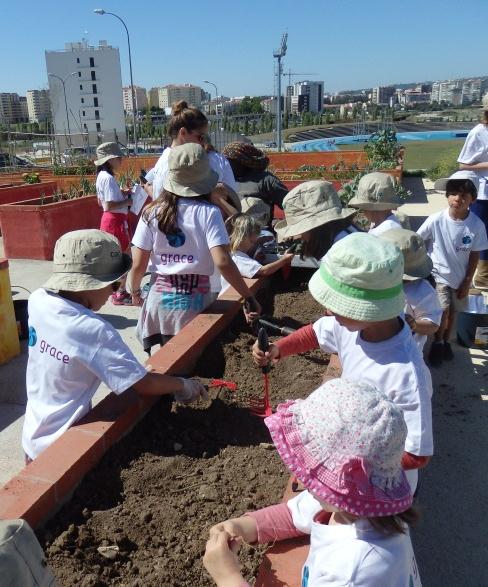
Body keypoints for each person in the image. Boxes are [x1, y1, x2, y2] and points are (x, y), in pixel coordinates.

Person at [253, 232, 433, 493]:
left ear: (370, 309)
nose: (328, 311)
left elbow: (416, 455)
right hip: (349, 454)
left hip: (378, 486)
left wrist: (339, 466)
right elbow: (315, 332)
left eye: (339, 305)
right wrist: (277, 348)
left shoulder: (405, 374)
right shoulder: (350, 325)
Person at [204, 379, 421, 587]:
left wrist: (228, 579)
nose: (299, 476)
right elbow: (294, 515)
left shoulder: (350, 572)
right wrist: (243, 527)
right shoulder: (362, 505)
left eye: (311, 468)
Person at [22, 229, 207, 462]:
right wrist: (182, 385)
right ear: (89, 285)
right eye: (113, 286)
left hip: (32, 434)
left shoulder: (38, 300)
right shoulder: (92, 329)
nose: (114, 293)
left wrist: (131, 371)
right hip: (59, 445)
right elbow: (144, 385)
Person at [127, 143, 261, 354]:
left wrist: (134, 291)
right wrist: (248, 296)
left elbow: (138, 264)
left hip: (158, 304)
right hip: (195, 304)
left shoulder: (151, 213)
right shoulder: (209, 213)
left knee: (166, 360)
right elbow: (223, 262)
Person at [417, 174, 488, 367]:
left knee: (454, 313)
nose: (458, 198)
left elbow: (474, 254)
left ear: (473, 199)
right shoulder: (436, 220)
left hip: (460, 277)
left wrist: (467, 282)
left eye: (464, 195)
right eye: (454, 194)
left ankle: (446, 341)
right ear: (447, 196)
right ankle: (437, 343)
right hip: (438, 274)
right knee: (443, 310)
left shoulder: (476, 225)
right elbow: (417, 239)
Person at [146, 102, 238, 219]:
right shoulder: (173, 164)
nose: (203, 142)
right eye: (200, 137)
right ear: (183, 133)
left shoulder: (165, 159)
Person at [380, 228, 442, 352]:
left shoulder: (422, 290)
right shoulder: (374, 283)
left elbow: (433, 325)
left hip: (407, 352)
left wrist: (413, 324)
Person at [274, 180, 359, 260]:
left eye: (302, 230)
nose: (301, 236)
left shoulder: (339, 253)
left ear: (314, 227)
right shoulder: (348, 234)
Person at [95, 142, 133, 305]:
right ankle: (120, 292)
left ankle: (118, 291)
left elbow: (101, 202)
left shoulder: (101, 177)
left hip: (110, 220)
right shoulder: (108, 178)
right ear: (109, 160)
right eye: (118, 157)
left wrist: (121, 194)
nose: (121, 160)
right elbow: (109, 205)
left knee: (116, 257)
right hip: (115, 221)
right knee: (124, 257)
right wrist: (129, 201)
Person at [456, 98, 488, 289]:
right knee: (479, 234)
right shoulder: (478, 133)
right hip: (484, 193)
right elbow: (463, 165)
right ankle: (480, 276)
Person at [220, 213, 294, 292]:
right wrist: (284, 260)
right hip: (232, 296)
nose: (252, 245)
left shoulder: (229, 252)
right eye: (251, 242)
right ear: (240, 238)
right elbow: (264, 271)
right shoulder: (238, 258)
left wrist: (258, 242)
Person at [221, 142, 288, 210]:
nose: (226, 164)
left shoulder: (266, 180)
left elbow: (291, 204)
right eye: (224, 160)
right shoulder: (222, 180)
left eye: (229, 161)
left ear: (243, 161)